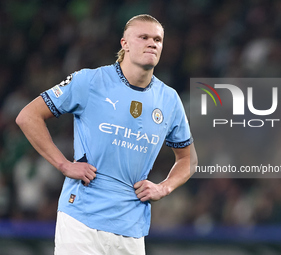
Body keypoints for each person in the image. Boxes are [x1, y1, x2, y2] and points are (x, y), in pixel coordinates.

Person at [16, 14, 197, 255]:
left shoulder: (170, 99)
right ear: (125, 44)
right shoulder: (90, 81)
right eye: (143, 37)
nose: (152, 43)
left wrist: (164, 187)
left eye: (157, 39)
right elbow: (28, 116)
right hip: (81, 219)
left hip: (131, 226)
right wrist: (63, 164)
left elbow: (188, 159)